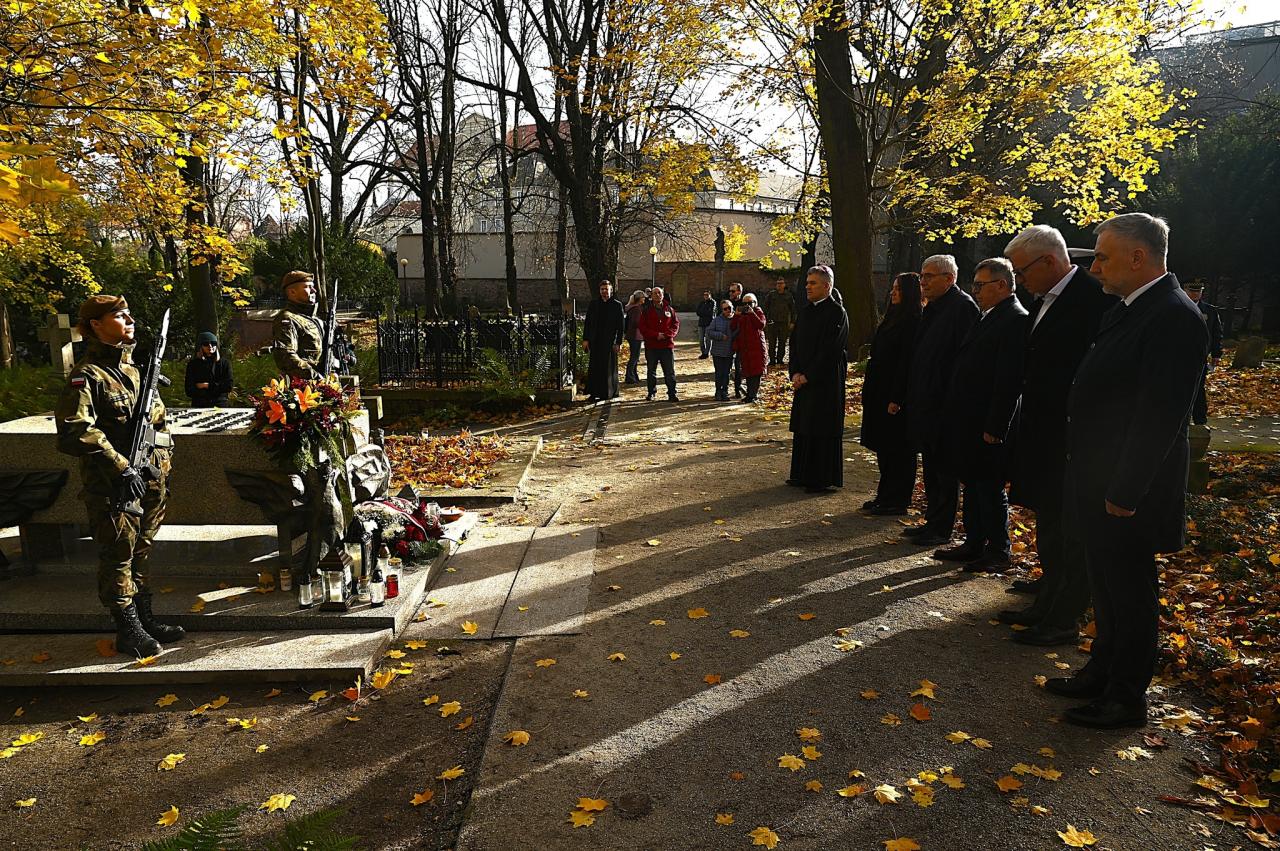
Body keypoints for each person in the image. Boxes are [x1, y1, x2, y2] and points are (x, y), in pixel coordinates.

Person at [1050, 213, 1208, 730]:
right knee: (1106, 584)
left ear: (1138, 258)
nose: (1095, 267)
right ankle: (1102, 669)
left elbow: (1159, 416)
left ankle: (1125, 695)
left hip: (1130, 489)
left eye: (1103, 257)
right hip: (1100, 477)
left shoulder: (1174, 316)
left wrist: (1125, 490)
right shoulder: (1129, 308)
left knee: (1130, 591)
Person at [1000, 224, 1115, 645]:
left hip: (1069, 439)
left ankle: (1064, 616)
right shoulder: (1045, 299)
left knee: (1070, 534)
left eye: (1023, 270)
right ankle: (1047, 601)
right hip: (1043, 433)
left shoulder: (1091, 299)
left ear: (1049, 261)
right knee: (1049, 524)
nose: (1019, 280)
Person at [54, 296, 184, 658]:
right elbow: (75, 430)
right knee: (118, 554)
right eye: (118, 314)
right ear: (96, 324)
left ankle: (145, 619)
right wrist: (121, 466)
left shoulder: (134, 371)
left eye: (129, 312)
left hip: (151, 478)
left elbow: (156, 425)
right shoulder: (87, 375)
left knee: (141, 550)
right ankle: (127, 629)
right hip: (114, 483)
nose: (129, 319)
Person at [937, 258, 1028, 572]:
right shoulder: (988, 316)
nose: (974, 290)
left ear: (1001, 285)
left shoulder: (1015, 319)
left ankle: (998, 550)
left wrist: (996, 425)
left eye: (980, 285)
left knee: (989, 487)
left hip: (989, 423)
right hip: (969, 419)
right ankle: (974, 542)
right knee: (973, 483)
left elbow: (1009, 379)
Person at [901, 255, 980, 546]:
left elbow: (965, 361)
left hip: (946, 407)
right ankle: (931, 521)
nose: (923, 282)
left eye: (929, 276)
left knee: (945, 471)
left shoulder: (962, 309)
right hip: (926, 403)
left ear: (950, 279)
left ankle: (941, 527)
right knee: (932, 468)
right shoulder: (933, 308)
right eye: (922, 276)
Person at [859, 273, 922, 516]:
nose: (893, 293)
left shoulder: (913, 320)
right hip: (879, 389)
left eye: (898, 289)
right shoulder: (892, 317)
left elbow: (906, 362)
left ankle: (897, 499)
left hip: (894, 393)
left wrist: (897, 397)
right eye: (893, 288)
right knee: (884, 448)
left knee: (898, 449)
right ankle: (885, 495)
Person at [788, 266, 849, 492]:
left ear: (827, 286)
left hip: (825, 381)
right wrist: (794, 372)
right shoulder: (805, 311)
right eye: (807, 282)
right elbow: (794, 343)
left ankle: (820, 477)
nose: (808, 287)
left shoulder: (836, 312)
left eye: (813, 283)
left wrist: (808, 375)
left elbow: (831, 349)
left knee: (820, 426)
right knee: (804, 425)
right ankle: (802, 473)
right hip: (802, 378)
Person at [1183, 281, 1223, 426]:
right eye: (1192, 291)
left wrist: (1216, 353)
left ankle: (1200, 419)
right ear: (1185, 290)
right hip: (1179, 356)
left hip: (1200, 357)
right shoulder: (1177, 307)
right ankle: (1181, 419)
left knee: (1198, 388)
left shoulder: (1210, 311)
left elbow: (1216, 333)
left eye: (1198, 291)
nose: (1195, 294)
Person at [272, 270, 325, 379]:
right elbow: (286, 356)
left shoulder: (315, 319)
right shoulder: (287, 319)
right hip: (302, 385)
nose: (314, 290)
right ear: (292, 292)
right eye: (308, 287)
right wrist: (315, 377)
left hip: (326, 381)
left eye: (313, 286)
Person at [582, 279, 626, 403]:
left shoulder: (617, 305)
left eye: (607, 289)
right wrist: (585, 339)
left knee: (608, 367)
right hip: (595, 341)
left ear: (611, 290)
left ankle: (608, 392)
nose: (604, 291)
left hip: (609, 341)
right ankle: (593, 392)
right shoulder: (594, 304)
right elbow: (588, 323)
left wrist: (618, 342)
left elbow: (621, 326)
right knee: (595, 367)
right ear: (599, 290)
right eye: (602, 289)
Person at [638, 286, 680, 401]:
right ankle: (651, 392)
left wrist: (666, 335)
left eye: (659, 293)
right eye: (655, 293)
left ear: (663, 294)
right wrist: (656, 335)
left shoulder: (669, 309)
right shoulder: (646, 310)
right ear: (651, 296)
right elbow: (643, 327)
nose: (658, 295)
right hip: (652, 346)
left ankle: (672, 393)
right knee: (651, 370)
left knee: (669, 371)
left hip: (667, 345)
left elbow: (675, 325)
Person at [733, 293, 767, 402]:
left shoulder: (758, 312)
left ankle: (753, 394)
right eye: (745, 303)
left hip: (756, 346)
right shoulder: (742, 315)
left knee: (756, 372)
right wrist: (736, 315)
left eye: (750, 303)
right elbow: (732, 327)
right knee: (747, 371)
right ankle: (749, 395)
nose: (747, 305)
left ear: (755, 303)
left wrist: (752, 313)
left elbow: (761, 325)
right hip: (745, 347)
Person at [184, 331, 234, 407]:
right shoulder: (193, 365)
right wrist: (215, 389)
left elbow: (228, 386)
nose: (210, 346)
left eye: (213, 343)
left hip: (220, 405)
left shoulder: (224, 363)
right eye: (206, 344)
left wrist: (206, 386)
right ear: (201, 346)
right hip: (200, 404)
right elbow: (189, 389)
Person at [707, 300, 737, 400]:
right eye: (725, 308)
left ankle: (725, 391)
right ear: (722, 310)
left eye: (729, 308)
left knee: (726, 373)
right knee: (719, 372)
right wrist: (720, 336)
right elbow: (709, 332)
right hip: (718, 351)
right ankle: (718, 391)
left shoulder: (735, 319)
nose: (728, 310)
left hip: (729, 351)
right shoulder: (717, 320)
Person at [763, 278, 796, 366]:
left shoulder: (788, 296)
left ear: (784, 285)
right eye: (778, 283)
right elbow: (765, 308)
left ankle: (780, 360)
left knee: (782, 343)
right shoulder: (771, 295)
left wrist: (793, 322)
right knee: (772, 343)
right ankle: (772, 360)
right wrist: (764, 321)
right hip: (772, 322)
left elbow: (793, 310)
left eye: (781, 283)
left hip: (784, 323)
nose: (779, 285)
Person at [726, 282, 746, 397]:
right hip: (728, 338)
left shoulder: (743, 304)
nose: (730, 293)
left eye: (733, 291)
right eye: (730, 291)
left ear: (739, 292)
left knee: (738, 365)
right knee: (726, 365)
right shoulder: (728, 304)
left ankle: (737, 389)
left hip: (739, 339)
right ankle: (724, 389)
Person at [623, 290, 646, 384]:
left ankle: (634, 375)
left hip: (633, 335)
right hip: (635, 335)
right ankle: (629, 376)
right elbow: (636, 322)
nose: (644, 299)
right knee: (634, 357)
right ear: (640, 299)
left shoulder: (633, 308)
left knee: (635, 357)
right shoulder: (636, 309)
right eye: (643, 297)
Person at [695, 290, 716, 359]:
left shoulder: (713, 302)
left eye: (707, 295)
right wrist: (704, 312)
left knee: (708, 339)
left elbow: (710, 313)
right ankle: (703, 352)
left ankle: (707, 353)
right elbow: (698, 312)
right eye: (704, 295)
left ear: (710, 295)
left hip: (709, 323)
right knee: (701, 339)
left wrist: (703, 312)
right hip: (701, 323)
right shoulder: (702, 303)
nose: (705, 296)